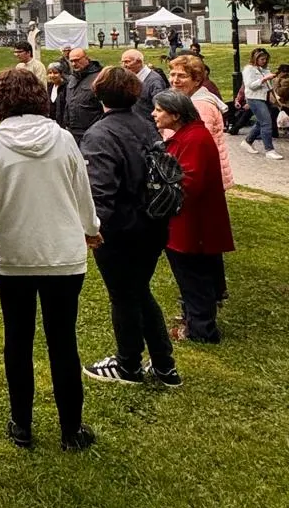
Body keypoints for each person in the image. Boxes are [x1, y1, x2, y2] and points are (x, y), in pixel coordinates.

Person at [0, 68, 100, 452]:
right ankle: (70, 430)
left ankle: (22, 425)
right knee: (63, 341)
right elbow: (83, 193)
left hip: (15, 257)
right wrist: (90, 227)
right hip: (61, 255)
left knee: (18, 339)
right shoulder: (62, 140)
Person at [79, 68, 180, 388]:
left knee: (124, 295)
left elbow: (100, 191)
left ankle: (128, 365)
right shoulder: (146, 125)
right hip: (153, 223)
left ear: (98, 95)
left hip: (122, 230)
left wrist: (93, 229)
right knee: (138, 291)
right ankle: (163, 365)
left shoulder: (100, 134)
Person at [153, 89, 234, 344]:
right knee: (194, 275)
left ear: (176, 115)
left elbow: (188, 183)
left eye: (159, 110)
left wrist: (159, 195)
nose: (154, 114)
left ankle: (201, 329)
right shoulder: (189, 135)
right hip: (190, 222)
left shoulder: (195, 139)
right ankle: (193, 320)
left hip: (192, 224)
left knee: (193, 276)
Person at [169, 55, 233, 189]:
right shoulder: (185, 101)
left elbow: (197, 146)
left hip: (201, 175)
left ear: (197, 81)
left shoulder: (200, 106)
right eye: (172, 74)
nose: (175, 80)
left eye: (182, 76)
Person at [241, 47, 282, 162]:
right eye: (262, 59)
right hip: (254, 98)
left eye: (265, 59)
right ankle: (269, 150)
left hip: (264, 97)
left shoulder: (264, 69)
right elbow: (250, 85)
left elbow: (269, 86)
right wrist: (264, 79)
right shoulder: (249, 69)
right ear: (255, 58)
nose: (264, 61)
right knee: (266, 123)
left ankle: (248, 141)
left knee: (262, 122)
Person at [64, 47, 104, 144]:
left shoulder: (99, 77)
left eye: (77, 60)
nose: (74, 64)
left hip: (92, 133)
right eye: (71, 61)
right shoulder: (72, 78)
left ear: (87, 58)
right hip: (72, 132)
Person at [120, 48, 169, 120]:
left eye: (127, 62)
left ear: (139, 62)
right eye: (122, 62)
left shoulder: (154, 81)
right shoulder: (130, 76)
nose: (124, 65)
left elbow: (160, 108)